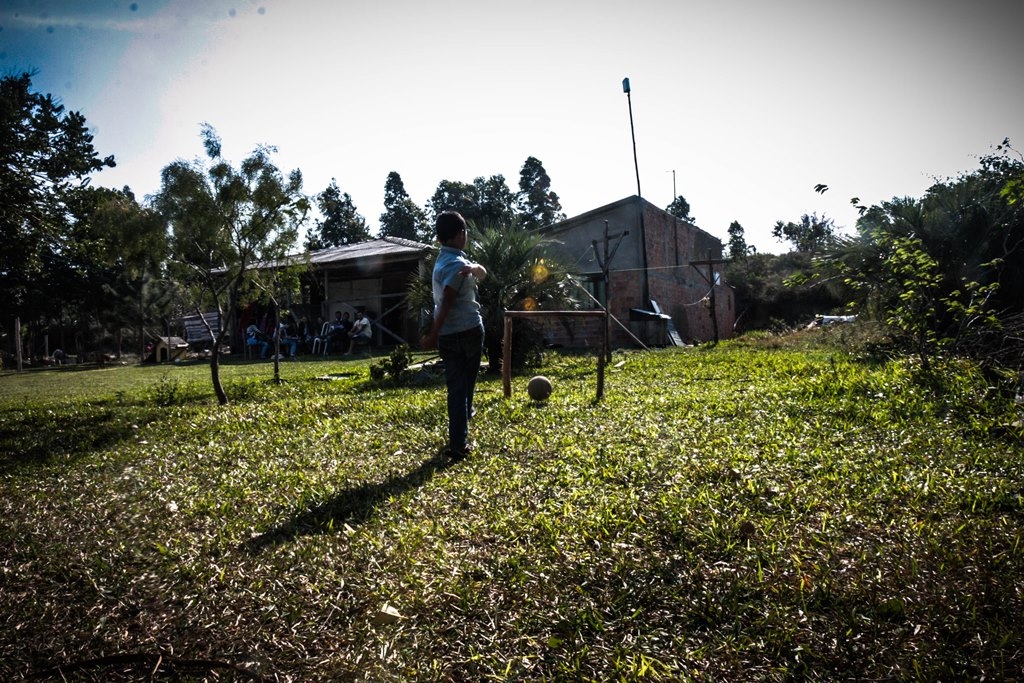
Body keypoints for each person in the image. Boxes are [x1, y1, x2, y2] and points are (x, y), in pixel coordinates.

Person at [420, 211, 487, 461]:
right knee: (462, 388)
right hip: (467, 330)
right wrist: (432, 334)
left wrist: (474, 267)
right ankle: (459, 442)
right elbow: (447, 299)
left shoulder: (445, 261)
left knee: (460, 387)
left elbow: (482, 273)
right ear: (461, 234)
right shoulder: (456, 265)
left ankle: (463, 419)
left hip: (450, 335)